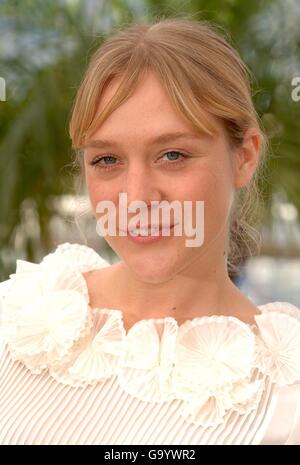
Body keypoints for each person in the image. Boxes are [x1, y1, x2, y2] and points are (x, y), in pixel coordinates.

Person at [0, 17, 300, 446]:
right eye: (107, 160)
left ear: (245, 157)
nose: (136, 197)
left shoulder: (286, 391)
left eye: (172, 155)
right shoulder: (17, 321)